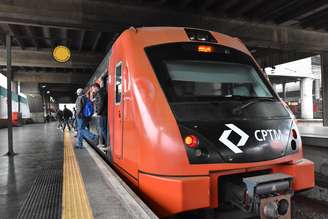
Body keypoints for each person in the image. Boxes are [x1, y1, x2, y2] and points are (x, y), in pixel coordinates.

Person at [92, 80, 108, 149]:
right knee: (103, 128)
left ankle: (107, 144)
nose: (93, 90)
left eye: (93, 88)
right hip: (104, 113)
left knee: (102, 128)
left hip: (102, 114)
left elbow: (101, 103)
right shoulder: (102, 91)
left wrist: (97, 112)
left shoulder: (99, 93)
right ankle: (104, 143)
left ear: (96, 87)